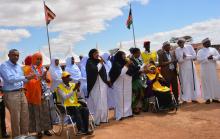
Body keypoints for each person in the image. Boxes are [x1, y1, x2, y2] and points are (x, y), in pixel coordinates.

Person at [0, 49, 34, 138]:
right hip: (11, 94)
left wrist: (30, 78)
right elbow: (10, 79)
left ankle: (25, 136)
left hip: (21, 92)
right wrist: (25, 77)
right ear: (8, 55)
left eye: (17, 55)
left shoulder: (19, 66)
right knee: (16, 118)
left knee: (25, 117)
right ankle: (17, 137)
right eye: (14, 55)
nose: (16, 57)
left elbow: (23, 80)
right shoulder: (4, 66)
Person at [24, 52, 52, 137]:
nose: (39, 61)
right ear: (33, 59)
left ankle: (46, 129)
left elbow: (49, 81)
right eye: (37, 59)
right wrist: (40, 79)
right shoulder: (29, 69)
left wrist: (46, 79)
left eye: (40, 59)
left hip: (44, 94)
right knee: (37, 113)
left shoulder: (43, 69)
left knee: (45, 113)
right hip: (35, 94)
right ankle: (39, 131)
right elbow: (29, 83)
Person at [109, 51, 136, 120]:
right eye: (123, 55)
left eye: (125, 55)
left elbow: (133, 71)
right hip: (119, 84)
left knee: (127, 98)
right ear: (119, 56)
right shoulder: (116, 64)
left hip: (127, 83)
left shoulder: (126, 62)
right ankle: (120, 115)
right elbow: (120, 73)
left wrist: (132, 64)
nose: (124, 56)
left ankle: (128, 113)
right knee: (120, 100)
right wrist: (127, 65)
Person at [86, 49, 109, 125]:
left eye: (98, 53)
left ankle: (104, 119)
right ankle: (97, 121)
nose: (97, 54)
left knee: (104, 102)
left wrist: (106, 81)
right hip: (94, 86)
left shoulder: (99, 61)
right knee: (98, 103)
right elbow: (94, 70)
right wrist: (101, 63)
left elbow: (104, 72)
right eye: (95, 53)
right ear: (91, 54)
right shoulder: (89, 62)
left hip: (102, 84)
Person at [175, 38, 200, 103]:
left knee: (192, 81)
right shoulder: (177, 50)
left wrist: (186, 56)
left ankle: (193, 98)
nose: (180, 44)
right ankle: (184, 99)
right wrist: (182, 58)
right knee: (184, 83)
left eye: (181, 42)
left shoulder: (189, 47)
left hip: (191, 67)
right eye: (179, 43)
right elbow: (178, 60)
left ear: (184, 42)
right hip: (182, 69)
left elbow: (194, 56)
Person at [197, 38, 220, 104]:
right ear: (204, 44)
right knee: (206, 83)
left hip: (213, 69)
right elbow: (199, 60)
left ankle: (215, 98)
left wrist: (213, 58)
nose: (209, 43)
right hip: (204, 70)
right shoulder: (200, 51)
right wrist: (207, 58)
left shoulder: (213, 49)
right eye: (208, 42)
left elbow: (218, 56)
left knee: (214, 82)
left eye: (209, 42)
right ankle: (207, 98)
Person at [130, 48, 146, 114]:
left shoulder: (138, 59)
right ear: (134, 53)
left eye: (139, 53)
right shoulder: (131, 60)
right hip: (135, 79)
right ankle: (134, 108)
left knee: (140, 93)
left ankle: (139, 106)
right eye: (138, 53)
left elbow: (141, 66)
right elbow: (133, 70)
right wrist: (141, 70)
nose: (139, 54)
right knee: (135, 93)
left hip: (140, 78)